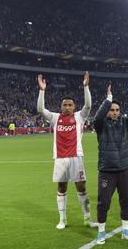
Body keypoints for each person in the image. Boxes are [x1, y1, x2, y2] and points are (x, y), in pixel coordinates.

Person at [36, 72, 96, 230]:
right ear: (61, 106)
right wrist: (42, 90)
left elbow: (88, 105)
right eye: (65, 105)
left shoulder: (79, 117)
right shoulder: (55, 118)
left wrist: (86, 87)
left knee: (81, 187)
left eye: (70, 105)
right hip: (60, 158)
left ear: (74, 107)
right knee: (61, 188)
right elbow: (40, 109)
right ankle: (62, 219)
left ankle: (87, 218)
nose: (67, 107)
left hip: (77, 157)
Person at [93, 84, 128, 244]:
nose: (114, 112)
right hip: (106, 170)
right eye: (112, 110)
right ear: (107, 110)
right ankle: (101, 232)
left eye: (117, 110)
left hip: (123, 170)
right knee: (103, 202)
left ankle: (125, 230)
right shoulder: (101, 125)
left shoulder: (125, 123)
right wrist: (108, 100)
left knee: (126, 200)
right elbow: (97, 118)